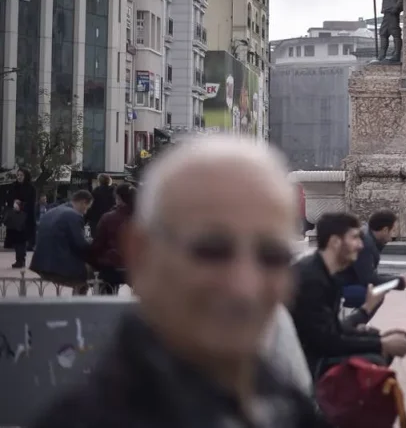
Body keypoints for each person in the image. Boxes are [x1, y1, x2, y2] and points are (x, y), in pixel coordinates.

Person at [29, 138, 328, 428]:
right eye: (211, 251)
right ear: (141, 254)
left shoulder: (290, 410)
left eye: (272, 256)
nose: (244, 287)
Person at [291, 211, 406, 376]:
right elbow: (327, 342)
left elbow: (332, 330)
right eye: (354, 238)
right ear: (335, 242)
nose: (361, 245)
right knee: (374, 358)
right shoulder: (312, 279)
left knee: (373, 337)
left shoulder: (326, 273)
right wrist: (381, 343)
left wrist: (369, 318)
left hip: (316, 351)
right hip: (305, 364)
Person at [336, 210, 406, 319]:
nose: (393, 236)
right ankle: (352, 325)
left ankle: (351, 322)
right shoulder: (366, 245)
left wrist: (399, 279)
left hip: (342, 282)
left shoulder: (369, 237)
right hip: (336, 289)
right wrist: (401, 281)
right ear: (385, 230)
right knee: (375, 295)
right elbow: (369, 280)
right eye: (393, 231)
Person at [31, 189, 93, 293]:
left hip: (40, 265)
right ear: (83, 202)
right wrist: (93, 245)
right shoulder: (74, 215)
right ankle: (83, 301)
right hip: (58, 267)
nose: (85, 212)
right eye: (87, 208)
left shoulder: (51, 211)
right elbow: (80, 245)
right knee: (95, 273)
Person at [89, 183, 134, 292]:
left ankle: (106, 298)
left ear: (118, 198)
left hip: (112, 269)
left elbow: (97, 246)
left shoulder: (108, 218)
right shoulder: (144, 218)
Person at [4, 167, 37, 268]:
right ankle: (18, 259)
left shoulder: (31, 188)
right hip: (14, 218)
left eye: (21, 175)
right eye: (18, 175)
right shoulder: (13, 186)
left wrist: (21, 205)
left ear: (25, 176)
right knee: (16, 239)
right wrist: (13, 202)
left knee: (22, 240)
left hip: (25, 218)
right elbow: (8, 198)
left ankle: (21, 260)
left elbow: (31, 203)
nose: (19, 177)